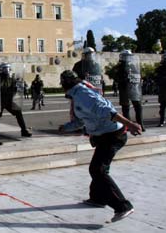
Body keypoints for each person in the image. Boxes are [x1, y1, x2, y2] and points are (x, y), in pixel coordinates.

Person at [58, 70, 142, 222]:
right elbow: (81, 120)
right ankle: (98, 198)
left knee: (98, 170)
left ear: (65, 84)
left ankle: (123, 206)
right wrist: (66, 127)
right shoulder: (77, 95)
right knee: (99, 168)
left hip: (112, 135)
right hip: (104, 135)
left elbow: (107, 110)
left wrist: (131, 124)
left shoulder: (82, 94)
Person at [0, 63, 32, 137]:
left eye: (8, 69)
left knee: (18, 113)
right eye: (5, 69)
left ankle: (24, 130)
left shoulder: (11, 79)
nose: (7, 71)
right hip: (0, 100)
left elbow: (16, 87)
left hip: (9, 100)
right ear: (1, 70)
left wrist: (21, 87)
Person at [115, 50, 145, 132]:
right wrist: (125, 78)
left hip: (134, 88)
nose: (126, 58)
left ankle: (140, 124)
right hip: (125, 88)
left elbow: (138, 74)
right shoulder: (120, 66)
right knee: (127, 107)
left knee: (137, 106)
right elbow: (117, 77)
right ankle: (129, 125)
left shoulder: (133, 65)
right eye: (125, 56)